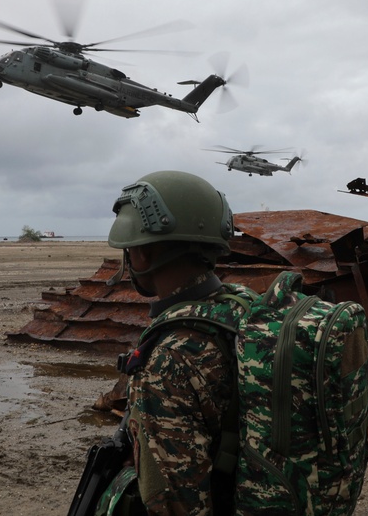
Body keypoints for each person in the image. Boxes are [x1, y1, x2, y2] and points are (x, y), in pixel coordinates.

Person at [107, 170, 253, 516]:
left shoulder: (168, 358)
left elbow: (176, 504)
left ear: (142, 256)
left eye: (130, 250)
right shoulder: (246, 307)